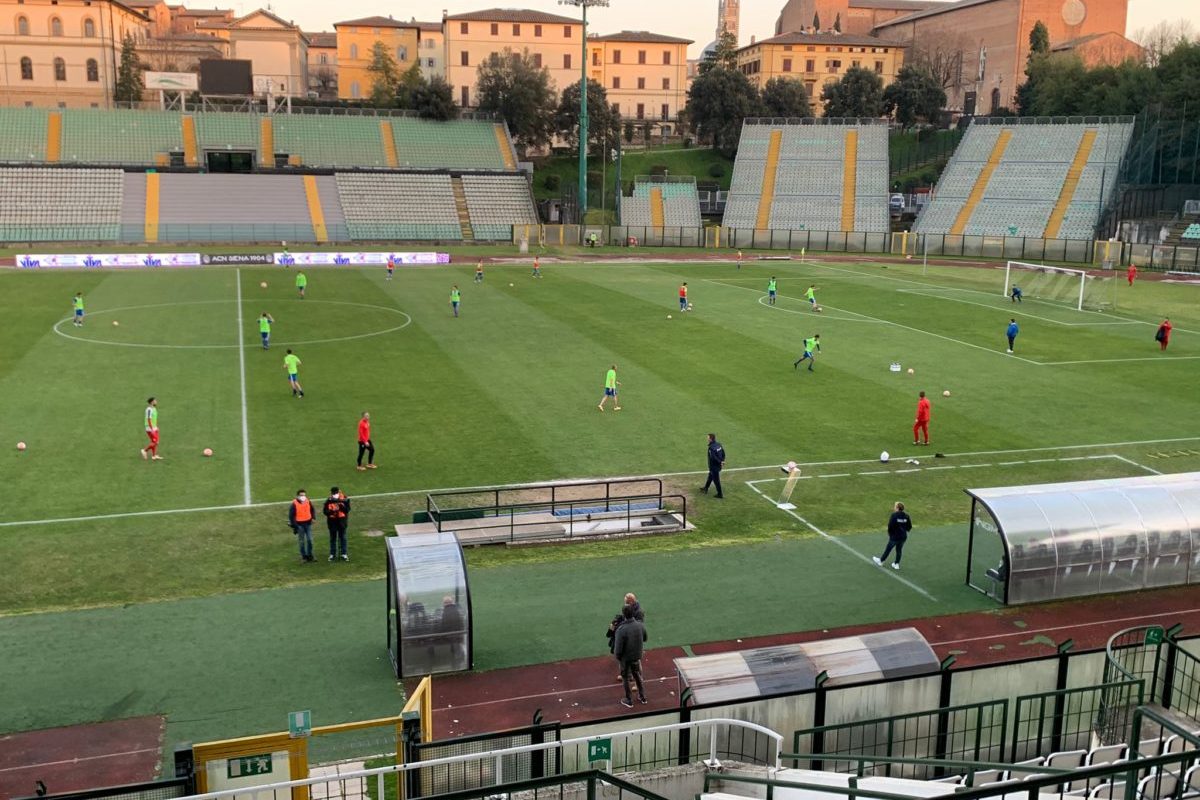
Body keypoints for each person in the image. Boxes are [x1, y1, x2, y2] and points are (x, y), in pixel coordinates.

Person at [613, 604, 648, 708]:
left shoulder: (621, 629)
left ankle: (628, 699)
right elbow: (645, 638)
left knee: (625, 677)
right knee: (637, 674)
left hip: (626, 658)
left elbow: (618, 648)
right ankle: (642, 696)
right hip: (637, 655)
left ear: (624, 614)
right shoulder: (640, 625)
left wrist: (618, 657)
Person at [606, 592, 644, 678]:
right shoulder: (627, 609)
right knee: (625, 658)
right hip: (626, 637)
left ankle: (638, 681)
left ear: (631, 602)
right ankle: (627, 675)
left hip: (634, 639)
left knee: (636, 661)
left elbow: (639, 627)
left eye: (626, 602)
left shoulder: (639, 612)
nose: (625, 604)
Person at [872, 502, 913, 571]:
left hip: (895, 536)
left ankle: (881, 561)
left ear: (897, 508)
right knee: (899, 550)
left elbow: (890, 525)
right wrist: (903, 530)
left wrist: (890, 534)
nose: (894, 507)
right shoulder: (906, 516)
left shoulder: (894, 515)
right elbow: (909, 526)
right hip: (903, 537)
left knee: (888, 549)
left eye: (895, 506)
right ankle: (896, 564)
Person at [323, 486, 350, 561]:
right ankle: (332, 554)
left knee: (343, 538)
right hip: (332, 523)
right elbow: (325, 512)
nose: (335, 494)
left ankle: (343, 554)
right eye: (333, 493)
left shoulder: (344, 499)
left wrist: (340, 507)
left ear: (339, 492)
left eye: (336, 493)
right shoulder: (328, 500)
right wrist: (333, 511)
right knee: (333, 539)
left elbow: (347, 510)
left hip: (342, 522)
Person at [288, 489, 315, 562]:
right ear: (298, 496)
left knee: (310, 540)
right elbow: (291, 516)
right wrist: (295, 526)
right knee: (302, 542)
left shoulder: (308, 501)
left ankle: (310, 555)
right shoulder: (294, 503)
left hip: (308, 524)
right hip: (299, 525)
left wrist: (313, 518)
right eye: (301, 495)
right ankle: (304, 557)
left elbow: (312, 510)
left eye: (304, 495)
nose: (303, 496)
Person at [701, 433, 726, 498]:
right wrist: (722, 461)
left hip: (714, 467)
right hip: (718, 466)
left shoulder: (711, 448)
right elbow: (723, 453)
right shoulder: (719, 445)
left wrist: (720, 461)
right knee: (710, 476)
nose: (707, 439)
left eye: (708, 438)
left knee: (716, 481)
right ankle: (706, 488)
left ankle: (720, 494)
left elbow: (713, 458)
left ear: (711, 439)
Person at [140, 397, 162, 461]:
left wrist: (156, 427)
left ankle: (154, 456)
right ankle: (144, 450)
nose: (156, 401)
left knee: (154, 441)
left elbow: (154, 419)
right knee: (156, 442)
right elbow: (149, 419)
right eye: (155, 401)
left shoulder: (154, 409)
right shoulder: (149, 409)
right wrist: (151, 428)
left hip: (154, 427)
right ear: (152, 402)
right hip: (150, 428)